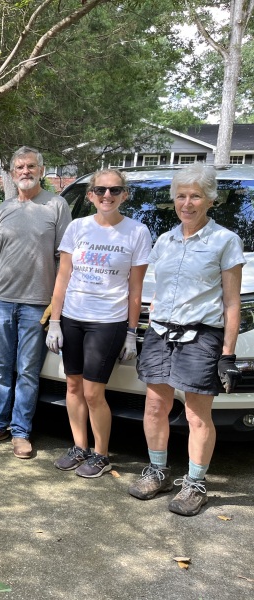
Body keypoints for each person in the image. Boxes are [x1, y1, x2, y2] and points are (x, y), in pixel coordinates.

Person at [128, 164, 244, 516]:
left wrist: (227, 354)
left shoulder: (225, 240)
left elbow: (232, 303)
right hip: (161, 332)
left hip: (201, 336)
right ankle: (158, 471)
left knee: (196, 414)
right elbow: (158, 289)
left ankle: (195, 484)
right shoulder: (165, 240)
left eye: (195, 196)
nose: (187, 203)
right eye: (181, 196)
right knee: (154, 406)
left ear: (210, 200)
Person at [46, 170, 151, 477]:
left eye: (115, 190)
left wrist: (131, 333)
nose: (107, 195)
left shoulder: (136, 232)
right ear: (90, 194)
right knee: (73, 386)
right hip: (72, 317)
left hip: (108, 321)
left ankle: (101, 454)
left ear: (124, 195)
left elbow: (135, 289)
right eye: (101, 190)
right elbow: (63, 276)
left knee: (93, 392)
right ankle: (79, 447)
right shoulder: (77, 227)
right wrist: (55, 321)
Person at [0, 146, 71, 458]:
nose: (25, 171)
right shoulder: (4, 209)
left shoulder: (56, 206)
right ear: (12, 173)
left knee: (28, 371)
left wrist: (56, 303)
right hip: (3, 300)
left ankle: (20, 431)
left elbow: (64, 259)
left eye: (31, 166)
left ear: (41, 170)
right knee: (1, 367)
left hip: (37, 304)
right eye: (19, 167)